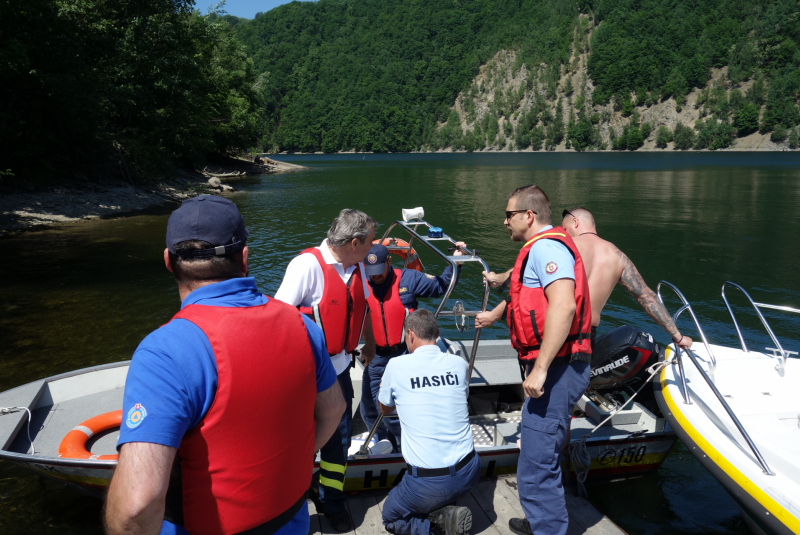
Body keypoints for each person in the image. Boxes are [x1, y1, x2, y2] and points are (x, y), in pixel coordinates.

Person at [105, 195, 345, 535]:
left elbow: (136, 506)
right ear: (244, 258)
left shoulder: (165, 351)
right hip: (289, 522)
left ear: (169, 262)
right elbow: (333, 409)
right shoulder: (303, 327)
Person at [475, 185, 592, 535]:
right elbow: (526, 293)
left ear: (529, 215)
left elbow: (564, 305)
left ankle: (547, 528)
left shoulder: (545, 249)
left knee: (536, 466)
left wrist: (540, 370)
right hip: (554, 365)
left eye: (509, 215)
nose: (504, 222)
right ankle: (542, 523)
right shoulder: (540, 249)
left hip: (557, 368)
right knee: (541, 454)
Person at [274, 208, 377, 532]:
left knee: (339, 440)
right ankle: (290, 499)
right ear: (356, 242)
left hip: (342, 370)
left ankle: (331, 500)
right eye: (370, 242)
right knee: (298, 437)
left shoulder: (358, 265)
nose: (374, 248)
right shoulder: (306, 266)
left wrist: (369, 342)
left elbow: (363, 306)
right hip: (306, 374)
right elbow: (279, 319)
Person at [378, 309, 481, 535]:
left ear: (411, 335)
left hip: (427, 484)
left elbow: (385, 408)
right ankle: (446, 506)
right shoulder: (459, 364)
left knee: (390, 516)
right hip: (470, 470)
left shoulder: (396, 366)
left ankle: (436, 521)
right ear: (438, 334)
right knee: (442, 490)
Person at [360, 241, 467, 449]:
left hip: (401, 355)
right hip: (375, 355)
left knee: (393, 412)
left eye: (379, 271)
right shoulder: (361, 282)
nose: (375, 276)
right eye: (370, 272)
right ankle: (383, 443)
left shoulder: (408, 278)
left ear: (389, 262)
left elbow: (441, 285)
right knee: (368, 408)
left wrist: (456, 260)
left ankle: (405, 448)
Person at [560, 207, 693, 349]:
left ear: (575, 222)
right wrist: (678, 337)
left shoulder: (564, 245)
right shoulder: (618, 257)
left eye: (565, 228)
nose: (564, 232)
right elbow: (646, 296)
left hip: (557, 326)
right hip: (585, 337)